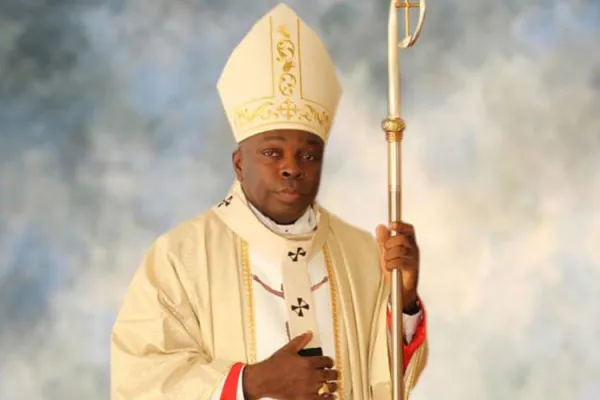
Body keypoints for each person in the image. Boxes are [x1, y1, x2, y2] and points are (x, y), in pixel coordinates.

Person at [110, 3, 428, 399]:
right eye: (273, 153)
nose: (292, 168)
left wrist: (404, 297)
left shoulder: (363, 254)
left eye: (308, 155)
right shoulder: (179, 258)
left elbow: (388, 382)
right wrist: (251, 383)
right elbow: (141, 380)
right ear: (239, 163)